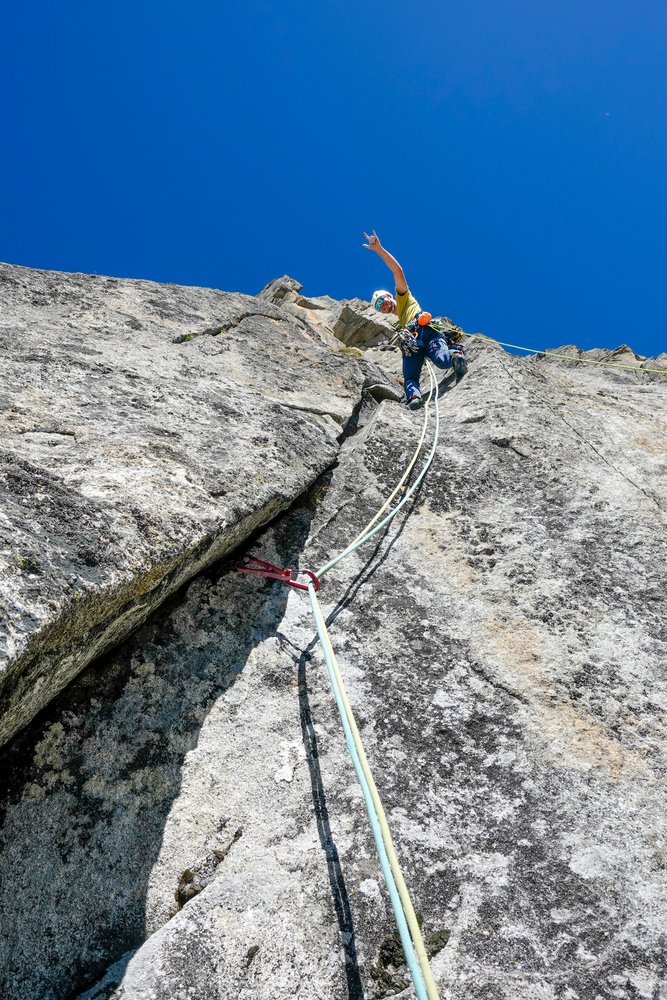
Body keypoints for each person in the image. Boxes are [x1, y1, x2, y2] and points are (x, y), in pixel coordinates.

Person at [363, 230, 463, 408]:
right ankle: (414, 398)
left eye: (381, 301)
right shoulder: (399, 323)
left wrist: (379, 250)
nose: (382, 306)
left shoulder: (403, 297)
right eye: (378, 307)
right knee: (410, 376)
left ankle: (455, 355)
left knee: (442, 361)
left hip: (424, 329)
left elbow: (398, 271)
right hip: (412, 341)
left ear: (389, 296)